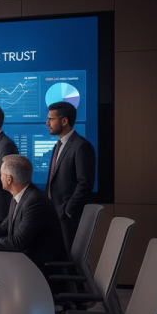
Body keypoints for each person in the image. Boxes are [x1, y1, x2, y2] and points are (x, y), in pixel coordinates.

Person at [45, 100, 96, 252]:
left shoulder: (81, 146)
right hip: (53, 214)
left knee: (69, 261)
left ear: (64, 121)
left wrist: (67, 211)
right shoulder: (58, 145)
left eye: (51, 119)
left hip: (67, 218)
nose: (47, 123)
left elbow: (84, 183)